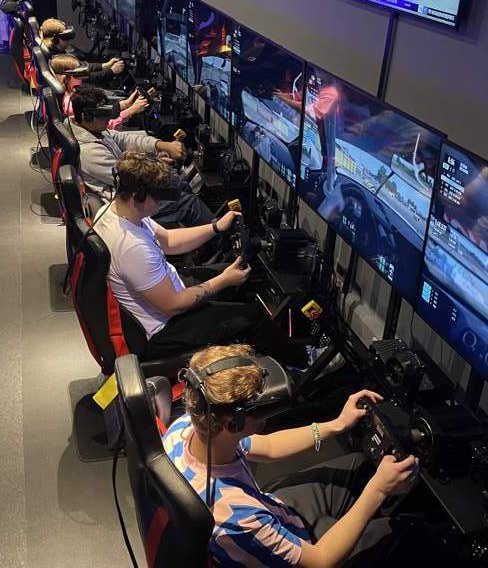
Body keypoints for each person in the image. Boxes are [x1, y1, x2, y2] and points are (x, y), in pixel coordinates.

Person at [164, 343, 424, 568]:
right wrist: (378, 490)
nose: (268, 414)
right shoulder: (237, 519)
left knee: (361, 466)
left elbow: (268, 447)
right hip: (294, 550)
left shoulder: (187, 426)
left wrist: (336, 424)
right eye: (260, 408)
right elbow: (321, 560)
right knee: (408, 534)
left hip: (272, 511)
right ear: (232, 423)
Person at [94, 152, 314, 367]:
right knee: (252, 318)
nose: (160, 204)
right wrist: (224, 280)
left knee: (239, 273)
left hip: (166, 291)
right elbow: (173, 305)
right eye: (158, 198)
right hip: (164, 329)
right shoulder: (132, 247)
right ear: (137, 196)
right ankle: (304, 361)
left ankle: (270, 343)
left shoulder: (114, 212)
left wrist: (215, 227)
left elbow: (169, 240)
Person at [69, 85, 214, 228]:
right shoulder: (88, 151)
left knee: (180, 185)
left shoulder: (95, 132)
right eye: (103, 115)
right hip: (124, 203)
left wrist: (161, 145)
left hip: (128, 192)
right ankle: (218, 233)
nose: (108, 119)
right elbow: (130, 177)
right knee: (189, 204)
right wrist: (156, 164)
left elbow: (125, 139)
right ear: (86, 116)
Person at [50, 53, 147, 131]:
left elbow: (98, 113)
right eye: (79, 74)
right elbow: (103, 126)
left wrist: (125, 104)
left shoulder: (72, 92)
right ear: (66, 78)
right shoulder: (70, 104)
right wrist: (130, 111)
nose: (84, 76)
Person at [40, 18, 125, 83]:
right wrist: (111, 71)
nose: (68, 41)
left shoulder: (54, 52)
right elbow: (85, 77)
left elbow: (82, 67)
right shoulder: (57, 61)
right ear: (55, 40)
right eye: (65, 38)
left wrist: (105, 65)